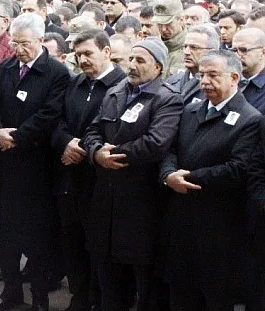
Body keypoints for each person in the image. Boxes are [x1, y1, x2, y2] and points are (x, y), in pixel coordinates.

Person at [82, 37, 183, 311]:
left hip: (141, 205)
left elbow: (156, 142)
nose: (133, 66)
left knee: (145, 285)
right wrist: (95, 153)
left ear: (158, 68)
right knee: (109, 284)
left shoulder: (167, 99)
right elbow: (92, 130)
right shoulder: (116, 91)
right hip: (106, 203)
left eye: (141, 61)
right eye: (131, 60)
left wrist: (114, 154)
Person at [160, 49, 261, 310]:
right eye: (202, 75)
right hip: (181, 219)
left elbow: (238, 168)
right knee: (181, 292)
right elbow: (170, 149)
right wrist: (168, 174)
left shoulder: (250, 119)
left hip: (220, 227)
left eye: (213, 75)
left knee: (215, 295)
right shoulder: (191, 109)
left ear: (234, 78)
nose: (204, 81)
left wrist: (190, 178)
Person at [0, 13, 69, 311]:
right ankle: (11, 290)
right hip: (4, 165)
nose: (18, 49)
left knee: (37, 236)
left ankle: (40, 296)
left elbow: (50, 114)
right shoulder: (6, 68)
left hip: (36, 166)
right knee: (5, 233)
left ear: (40, 40)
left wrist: (17, 137)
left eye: (24, 43)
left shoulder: (56, 73)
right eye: (14, 42)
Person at [52, 29, 126, 311]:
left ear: (106, 52)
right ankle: (79, 295)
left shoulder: (120, 85)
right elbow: (56, 119)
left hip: (99, 179)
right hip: (68, 176)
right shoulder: (76, 82)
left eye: (88, 54)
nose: (82, 60)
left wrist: (81, 148)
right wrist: (64, 142)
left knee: (98, 247)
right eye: (78, 54)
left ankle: (99, 298)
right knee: (71, 240)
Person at [166, 24, 220, 105]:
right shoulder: (172, 81)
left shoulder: (218, 86)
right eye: (185, 47)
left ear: (212, 51)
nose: (186, 52)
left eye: (194, 48)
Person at [152, 0, 186, 77]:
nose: (163, 29)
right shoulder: (154, 48)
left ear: (181, 20)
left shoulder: (191, 49)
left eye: (168, 24)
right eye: (159, 24)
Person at [234, 28, 265, 114]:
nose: (237, 55)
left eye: (243, 50)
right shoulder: (229, 80)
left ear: (262, 52)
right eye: (234, 50)